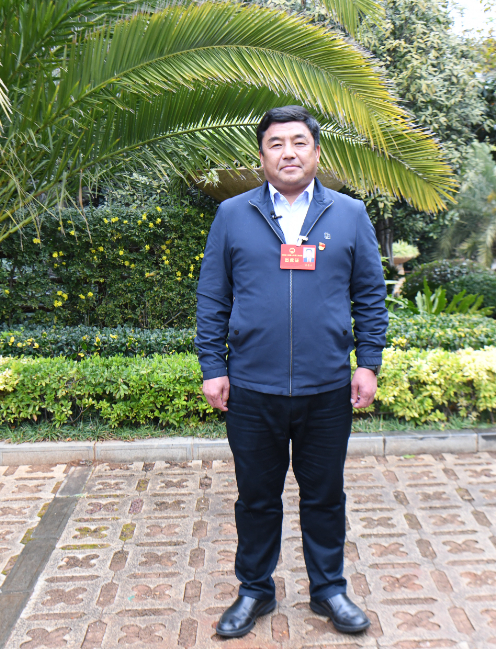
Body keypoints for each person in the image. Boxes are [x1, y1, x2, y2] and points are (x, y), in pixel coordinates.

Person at [195, 105, 387, 638]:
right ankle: (255, 589)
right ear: (261, 156)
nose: (288, 153)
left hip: (326, 387)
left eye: (299, 142)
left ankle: (329, 590)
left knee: (324, 495)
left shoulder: (349, 214)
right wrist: (213, 365)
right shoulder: (233, 214)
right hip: (252, 388)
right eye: (276, 144)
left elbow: (370, 295)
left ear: (316, 152)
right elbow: (213, 295)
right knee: (256, 497)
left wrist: (368, 363)